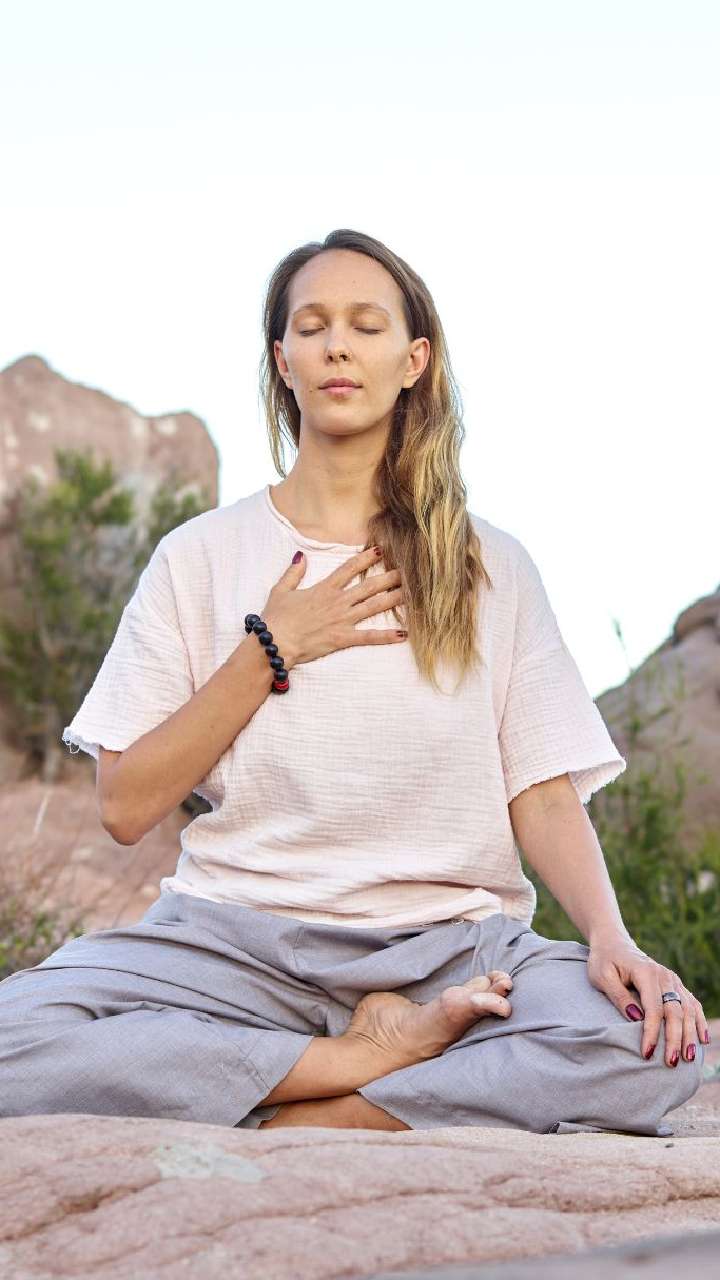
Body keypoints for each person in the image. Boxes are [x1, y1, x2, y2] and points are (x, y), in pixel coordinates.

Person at [0, 229, 708, 1135]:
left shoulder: (491, 566)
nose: (337, 346)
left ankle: (315, 1118)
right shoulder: (198, 556)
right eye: (313, 326)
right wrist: (270, 649)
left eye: (366, 326)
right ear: (282, 360)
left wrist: (612, 939)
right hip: (230, 945)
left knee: (643, 1044)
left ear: (414, 361)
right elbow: (125, 803)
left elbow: (539, 791)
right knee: (16, 1038)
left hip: (450, 952)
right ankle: (359, 1064)